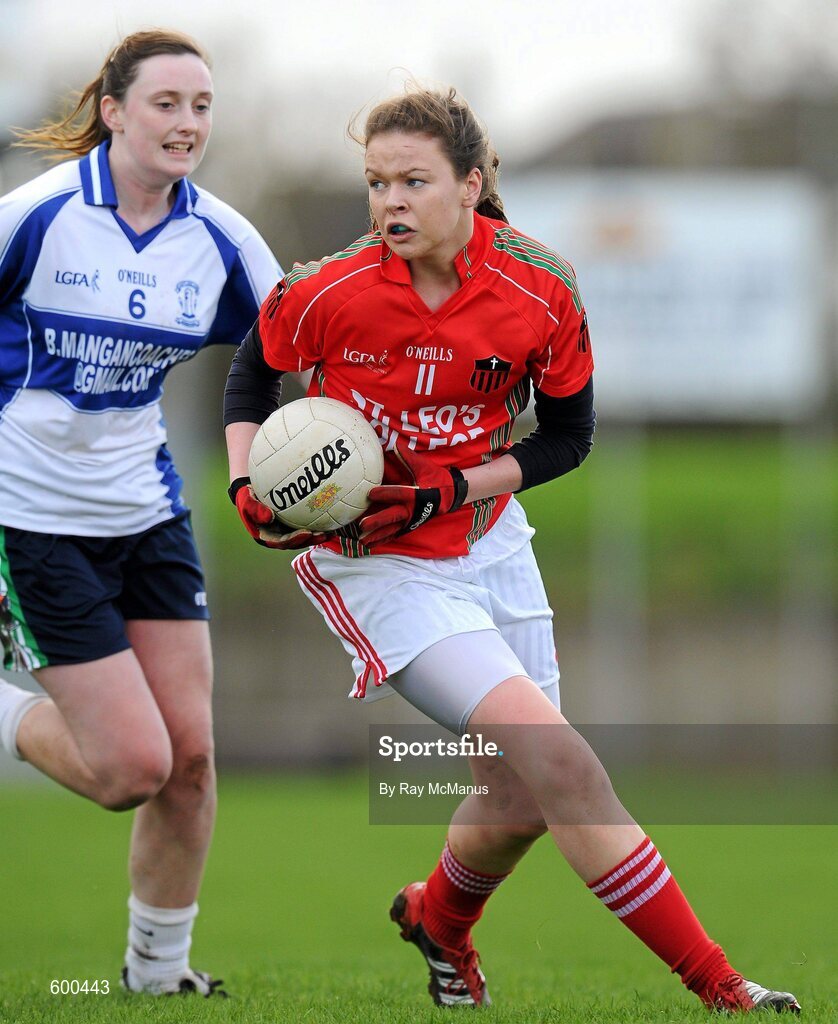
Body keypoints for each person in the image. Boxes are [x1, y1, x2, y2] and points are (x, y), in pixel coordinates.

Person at [222, 86, 800, 1014]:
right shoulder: (330, 289)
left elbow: (568, 437)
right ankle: (723, 987)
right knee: (563, 765)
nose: (390, 203)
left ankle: (438, 920)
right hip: (378, 568)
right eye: (376, 183)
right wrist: (248, 485)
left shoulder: (540, 287)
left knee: (521, 797)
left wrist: (457, 485)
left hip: (492, 547)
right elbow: (254, 370)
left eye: (413, 181)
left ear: (472, 183)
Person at [0, 29, 280, 996]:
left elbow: (298, 357)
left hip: (146, 512)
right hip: (28, 515)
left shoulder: (225, 241)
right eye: (166, 103)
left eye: (202, 105)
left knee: (192, 758)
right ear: (114, 112)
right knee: (130, 770)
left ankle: (157, 978)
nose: (188, 123)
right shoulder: (33, 219)